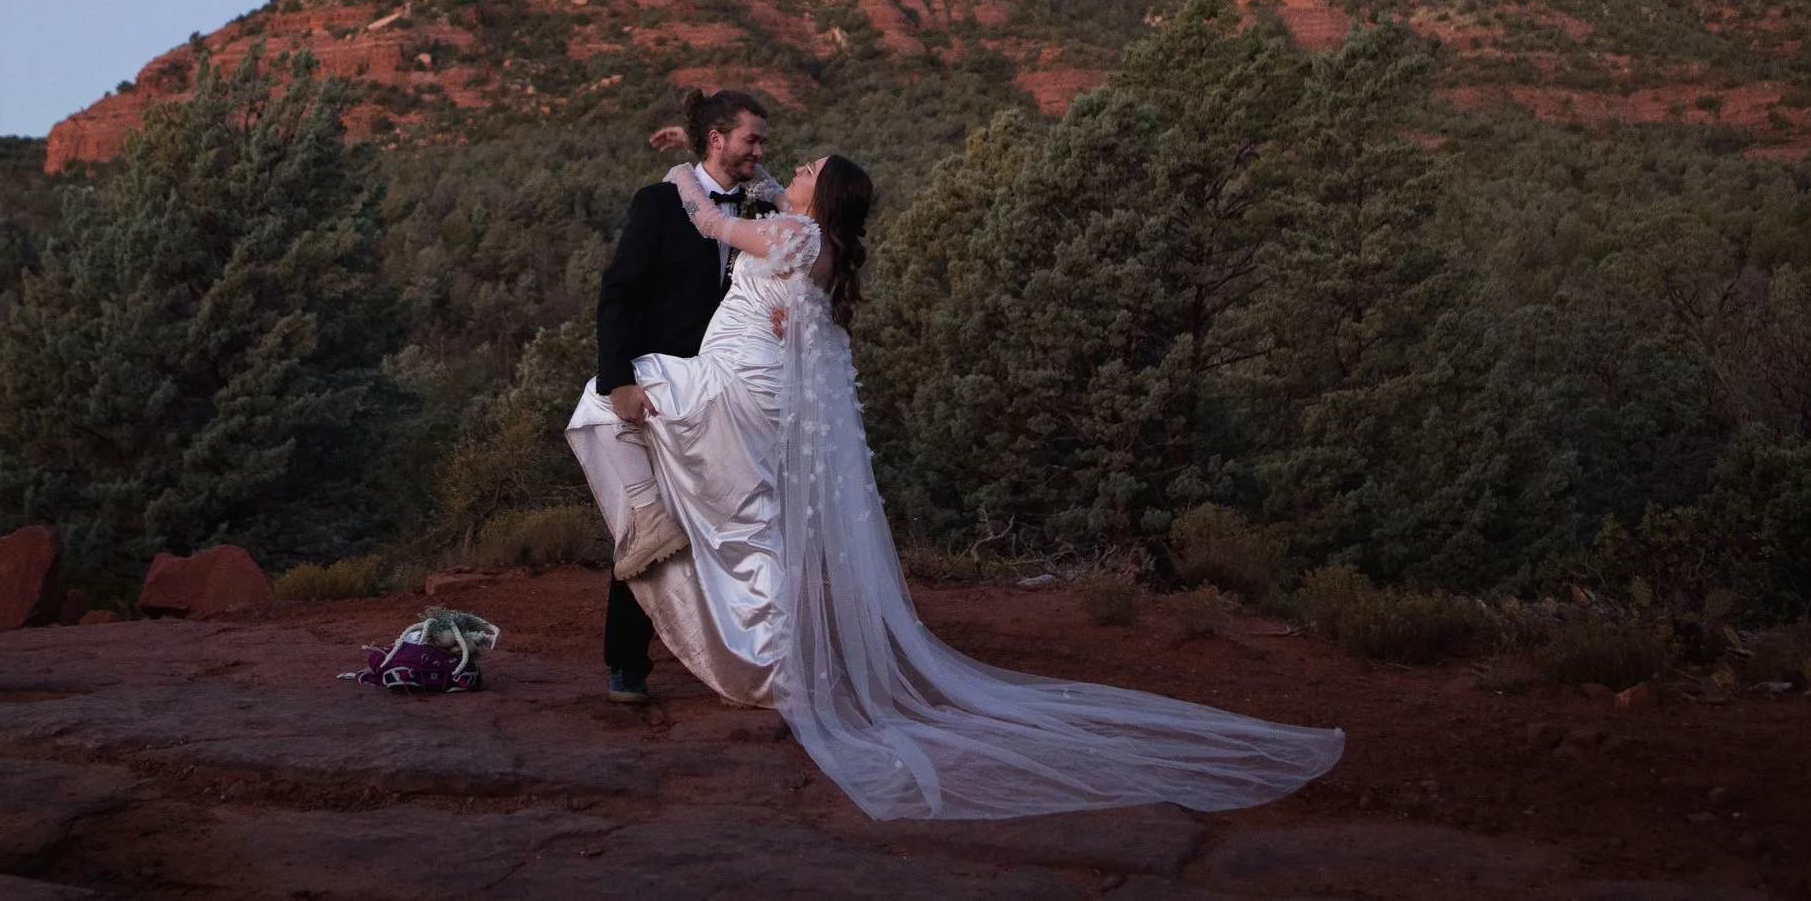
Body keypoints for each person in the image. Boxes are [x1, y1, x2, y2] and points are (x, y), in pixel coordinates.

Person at [570, 141, 1346, 821]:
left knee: (613, 398)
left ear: (821, 196)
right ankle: (765, 645)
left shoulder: (785, 230)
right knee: (748, 516)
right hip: (762, 380)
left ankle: (740, 622)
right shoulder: (813, 239)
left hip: (740, 382)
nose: (792, 167)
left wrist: (683, 166)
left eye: (808, 168)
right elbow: (771, 208)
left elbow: (710, 218)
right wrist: (733, 162)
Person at [576, 87, 776, 704]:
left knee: (727, 524)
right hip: (662, 388)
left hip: (728, 397)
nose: (760, 151)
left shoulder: (759, 207)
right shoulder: (660, 204)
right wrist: (617, 382)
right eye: (751, 139)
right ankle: (626, 664)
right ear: (718, 139)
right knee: (651, 526)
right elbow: (620, 293)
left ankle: (736, 661)